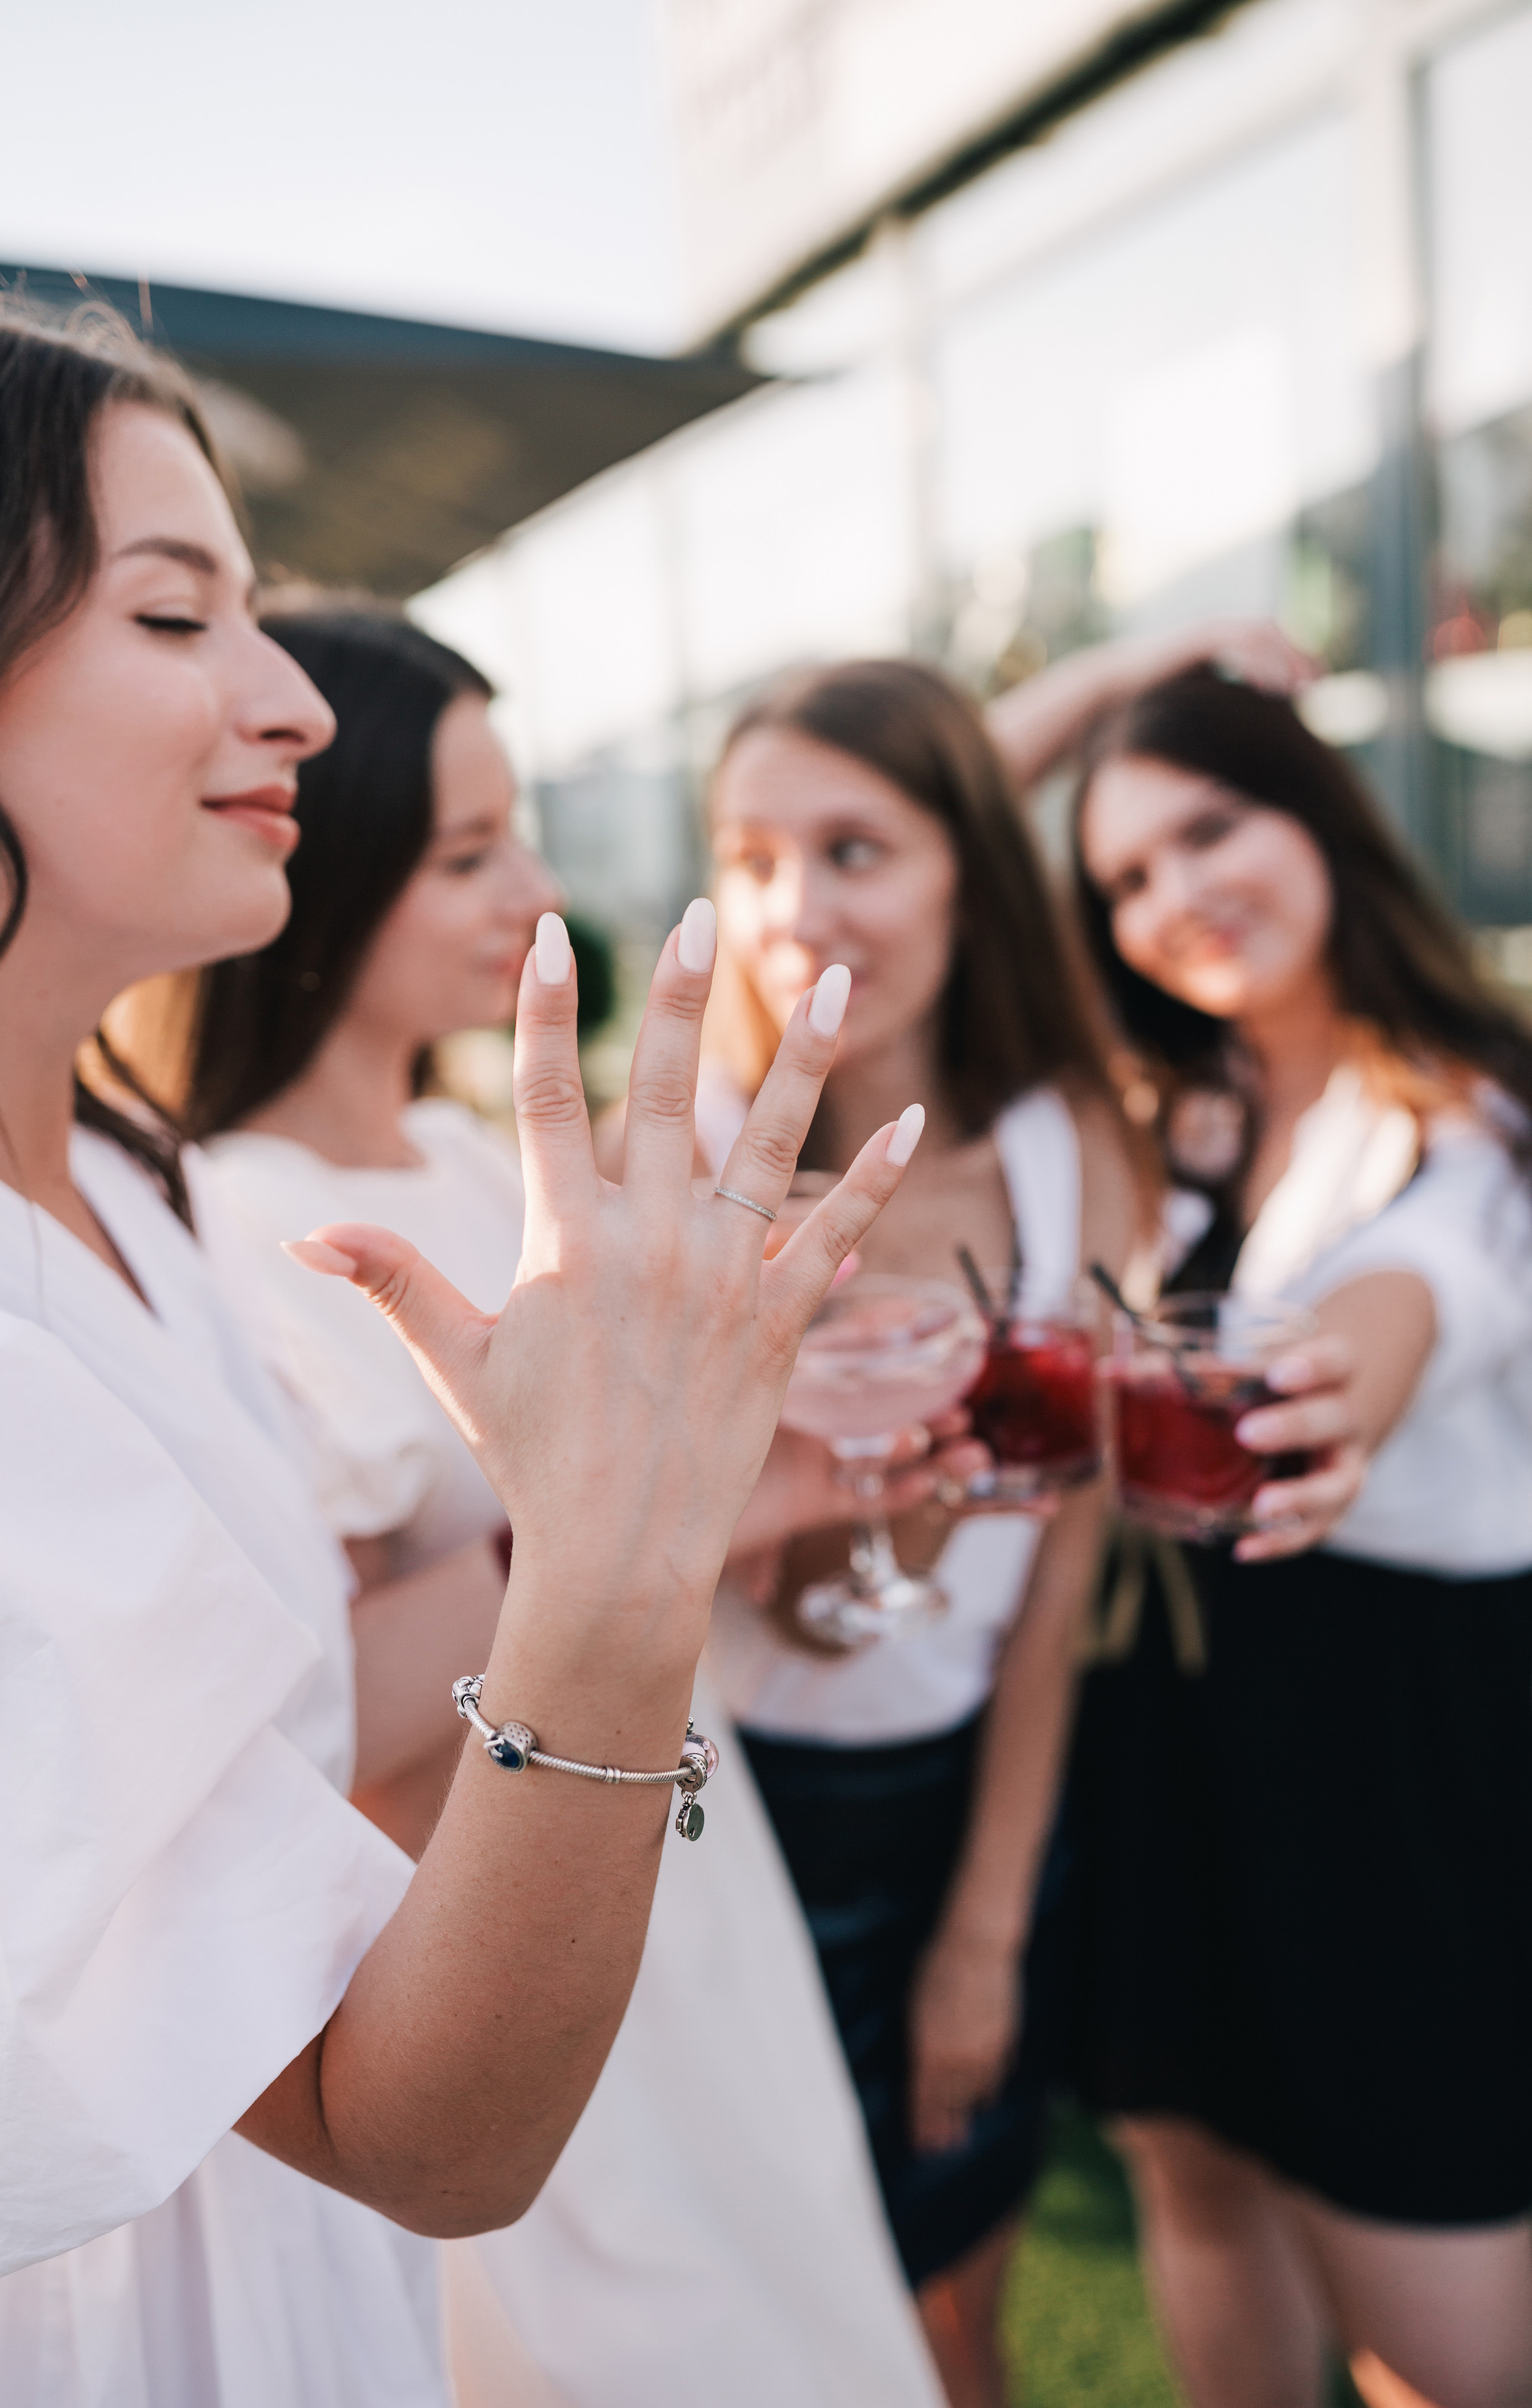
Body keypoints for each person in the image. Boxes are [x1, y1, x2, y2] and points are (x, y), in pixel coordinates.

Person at [0, 298, 926, 2407]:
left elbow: (277, 1713)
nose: (293, 700)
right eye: (176, 615)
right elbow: (429, 2133)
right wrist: (623, 1551)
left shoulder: (122, 1189)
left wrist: (698, 1487)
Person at [169, 598, 966, 2406]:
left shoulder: (483, 1158)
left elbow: (660, 1542)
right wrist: (636, 1519)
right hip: (499, 1926)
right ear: (328, 856)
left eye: (521, 832)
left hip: (689, 1875)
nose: (535, 888)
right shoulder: (239, 1227)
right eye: (468, 852)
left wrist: (779, 1484)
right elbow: (317, 1717)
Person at [684, 658, 1355, 2408]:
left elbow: (1059, 1569)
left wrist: (985, 1923)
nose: (795, 909)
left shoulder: (1069, 1149)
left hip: (970, 1793)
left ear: (967, 876)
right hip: (722, 1817)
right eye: (750, 857)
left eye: (856, 851)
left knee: (949, 2309)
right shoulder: (687, 1158)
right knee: (754, 2326)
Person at [1067, 663, 1532, 2408]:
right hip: (1182, 1717)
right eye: (1127, 877)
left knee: (1448, 2340)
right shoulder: (1173, 1113)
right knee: (1198, 2177)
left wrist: (1341, 1390)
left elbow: (1431, 1288)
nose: (1174, 897)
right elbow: (939, 861)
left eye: (1211, 829)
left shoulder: (1476, 1113)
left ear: (1316, 813)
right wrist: (1116, 685)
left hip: (1404, 1747)